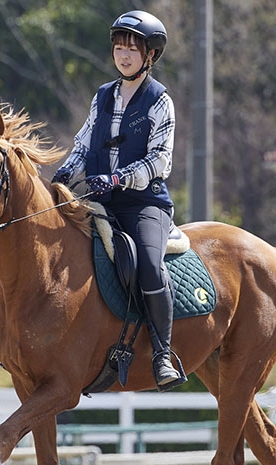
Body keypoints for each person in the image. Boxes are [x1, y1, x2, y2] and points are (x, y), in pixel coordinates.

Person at [51, 10, 182, 391]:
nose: (123, 55)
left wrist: (119, 177)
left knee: (150, 267)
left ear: (150, 56)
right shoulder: (102, 95)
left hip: (143, 204)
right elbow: (83, 143)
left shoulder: (160, 101)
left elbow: (161, 160)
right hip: (98, 200)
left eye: (132, 49)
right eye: (119, 47)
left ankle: (162, 354)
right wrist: (65, 172)